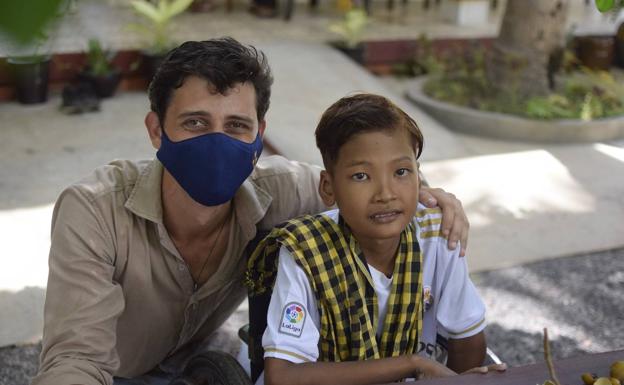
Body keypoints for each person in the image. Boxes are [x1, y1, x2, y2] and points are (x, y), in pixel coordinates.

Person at [32, 38, 470, 385]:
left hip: (206, 361)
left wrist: (434, 198)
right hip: (113, 374)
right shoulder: (94, 209)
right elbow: (75, 359)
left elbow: (370, 185)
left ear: (260, 134)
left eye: (236, 126)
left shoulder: (283, 190)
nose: (217, 142)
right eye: (196, 123)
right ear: (155, 130)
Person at [248, 93, 504, 385]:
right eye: (361, 176)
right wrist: (411, 364)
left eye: (401, 172)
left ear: (419, 177)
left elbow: (467, 340)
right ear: (328, 188)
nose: (386, 193)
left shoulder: (437, 235)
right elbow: (282, 378)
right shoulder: (305, 253)